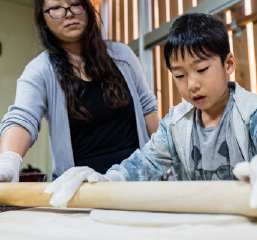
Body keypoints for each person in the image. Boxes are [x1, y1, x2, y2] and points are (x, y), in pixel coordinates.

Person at [45, 13, 257, 217]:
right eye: (179, 75)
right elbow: (143, 163)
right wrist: (106, 180)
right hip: (195, 222)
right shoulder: (175, 123)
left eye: (201, 69)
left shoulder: (250, 110)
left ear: (228, 64)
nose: (191, 84)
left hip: (246, 220)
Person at [0, 0, 159, 181]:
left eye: (75, 3)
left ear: (87, 9)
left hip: (139, 182)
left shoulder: (122, 55)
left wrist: (164, 163)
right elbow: (22, 118)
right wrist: (8, 161)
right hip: (81, 191)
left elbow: (148, 109)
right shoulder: (40, 70)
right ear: (43, 18)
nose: (68, 13)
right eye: (56, 8)